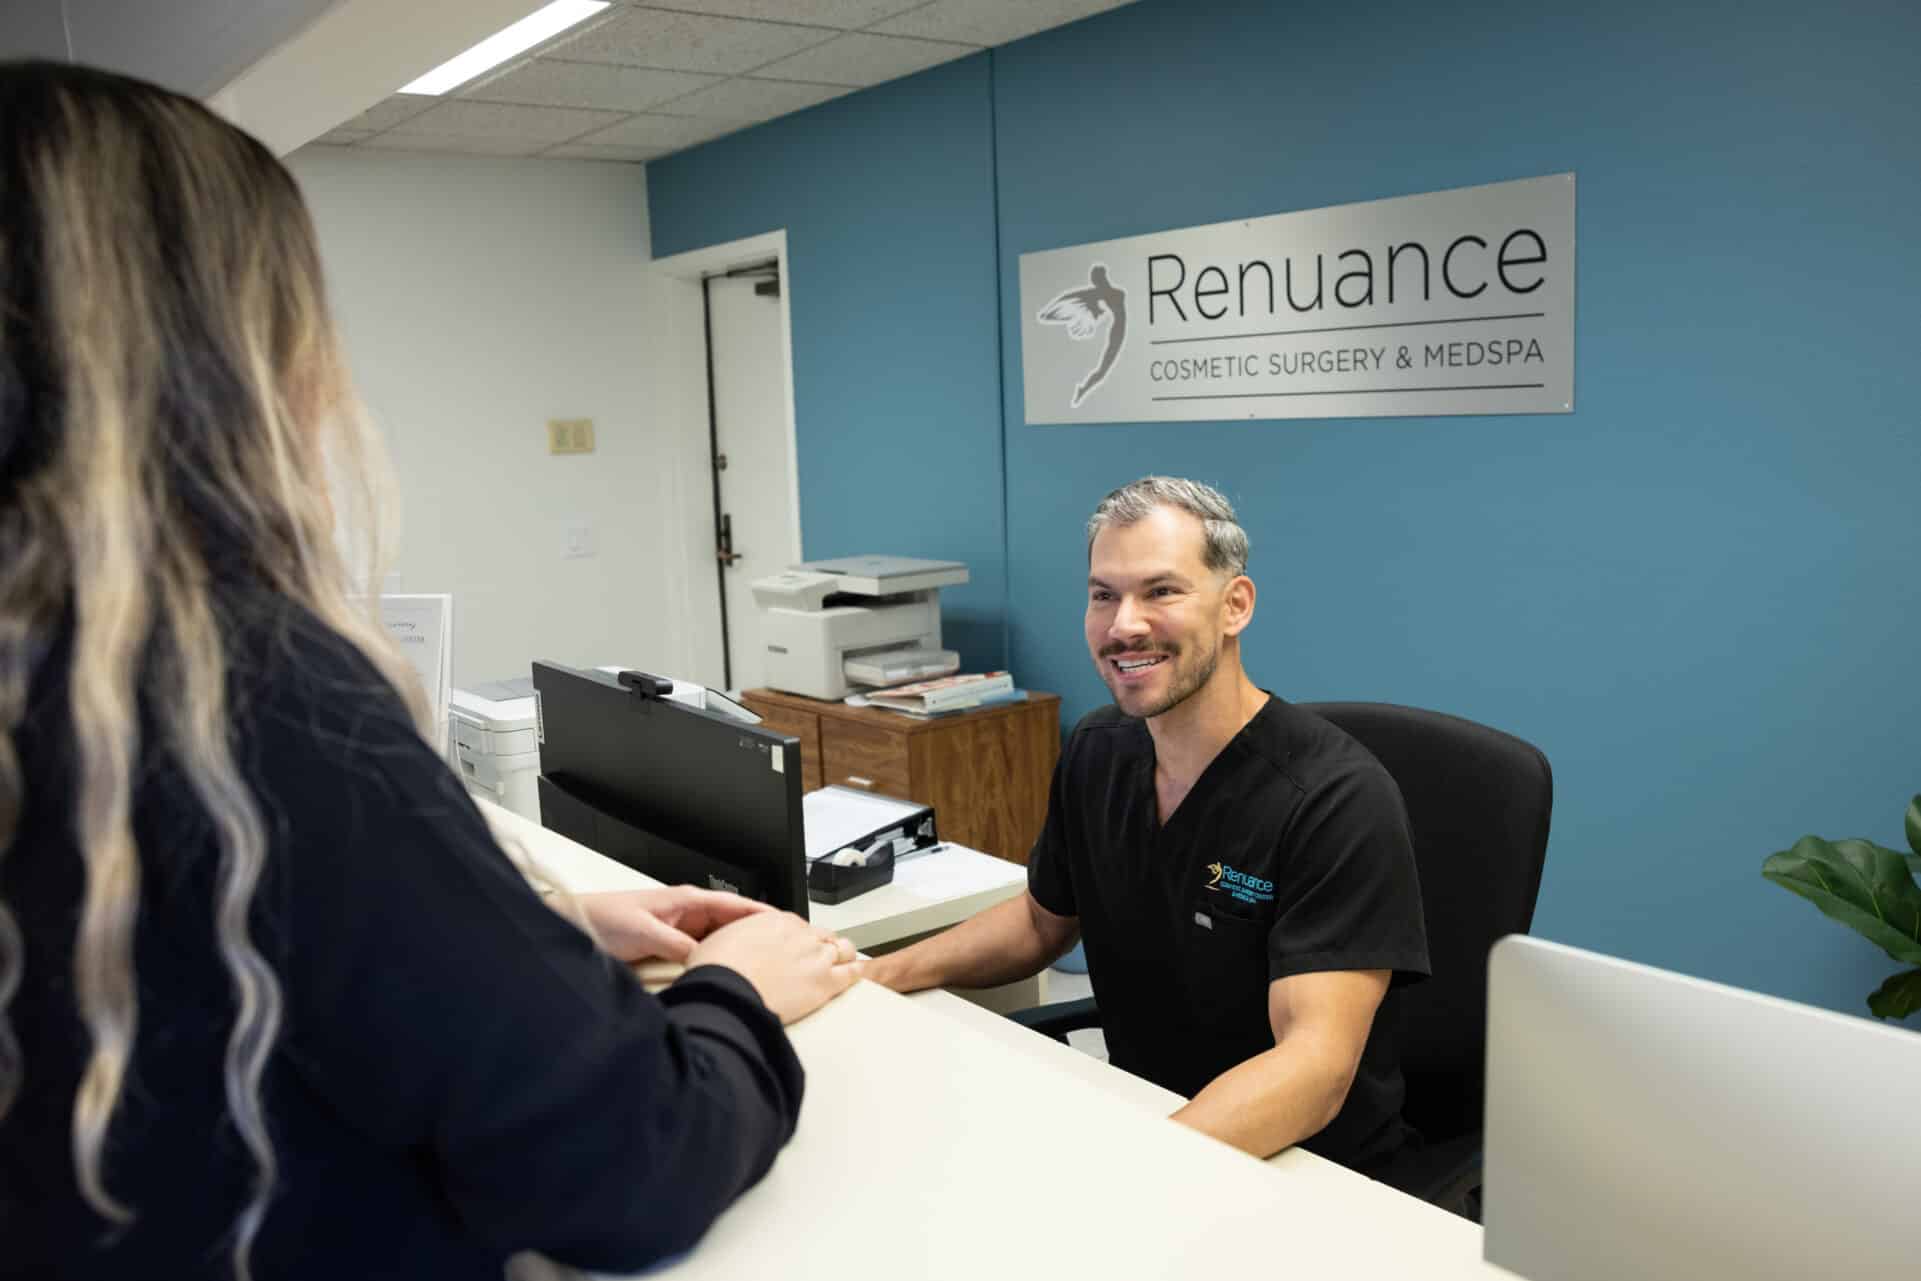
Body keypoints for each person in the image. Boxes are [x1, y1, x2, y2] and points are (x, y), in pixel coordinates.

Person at [0, 60, 859, 1280]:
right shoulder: (234, 686)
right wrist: (731, 993)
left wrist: (536, 930)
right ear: (215, 346)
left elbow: (181, 961)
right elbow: (629, 1162)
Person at [865, 476, 1432, 1180]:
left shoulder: (1334, 798)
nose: (1122, 624)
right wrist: (874, 975)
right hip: (1148, 1116)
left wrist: (1136, 1172)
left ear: (1234, 606)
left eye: (1160, 591)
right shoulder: (1098, 748)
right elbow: (1043, 922)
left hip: (1304, 1170)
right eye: (1103, 594)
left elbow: (1312, 1066)